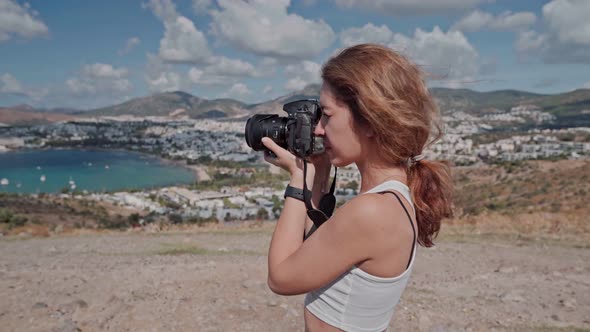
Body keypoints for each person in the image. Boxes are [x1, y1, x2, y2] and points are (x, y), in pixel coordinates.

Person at [261, 43, 453, 331]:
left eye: (327, 114)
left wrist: (298, 176)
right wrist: (319, 173)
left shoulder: (372, 212)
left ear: (370, 121)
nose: (318, 129)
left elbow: (280, 277)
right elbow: (308, 253)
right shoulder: (394, 198)